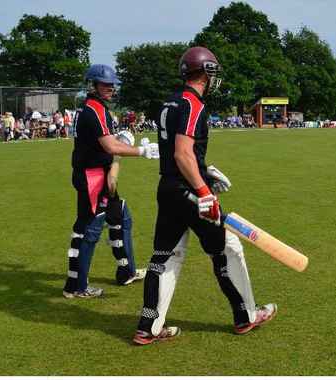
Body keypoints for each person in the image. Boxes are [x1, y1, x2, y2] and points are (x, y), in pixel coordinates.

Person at [133, 47, 277, 345]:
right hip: (189, 192)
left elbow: (180, 156)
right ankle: (246, 316)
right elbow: (182, 153)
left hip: (169, 188)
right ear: (206, 73)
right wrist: (203, 190)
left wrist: (204, 170)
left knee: (165, 256)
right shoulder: (193, 104)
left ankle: (148, 327)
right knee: (226, 248)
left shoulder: (169, 102)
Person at [63, 64, 160, 299]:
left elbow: (107, 142)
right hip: (92, 176)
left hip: (99, 172)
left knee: (121, 217)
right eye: (105, 84)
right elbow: (108, 146)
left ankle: (125, 272)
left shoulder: (97, 108)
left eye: (112, 84)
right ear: (92, 85)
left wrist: (122, 143)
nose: (111, 88)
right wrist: (141, 151)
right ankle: (76, 286)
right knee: (89, 229)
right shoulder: (93, 109)